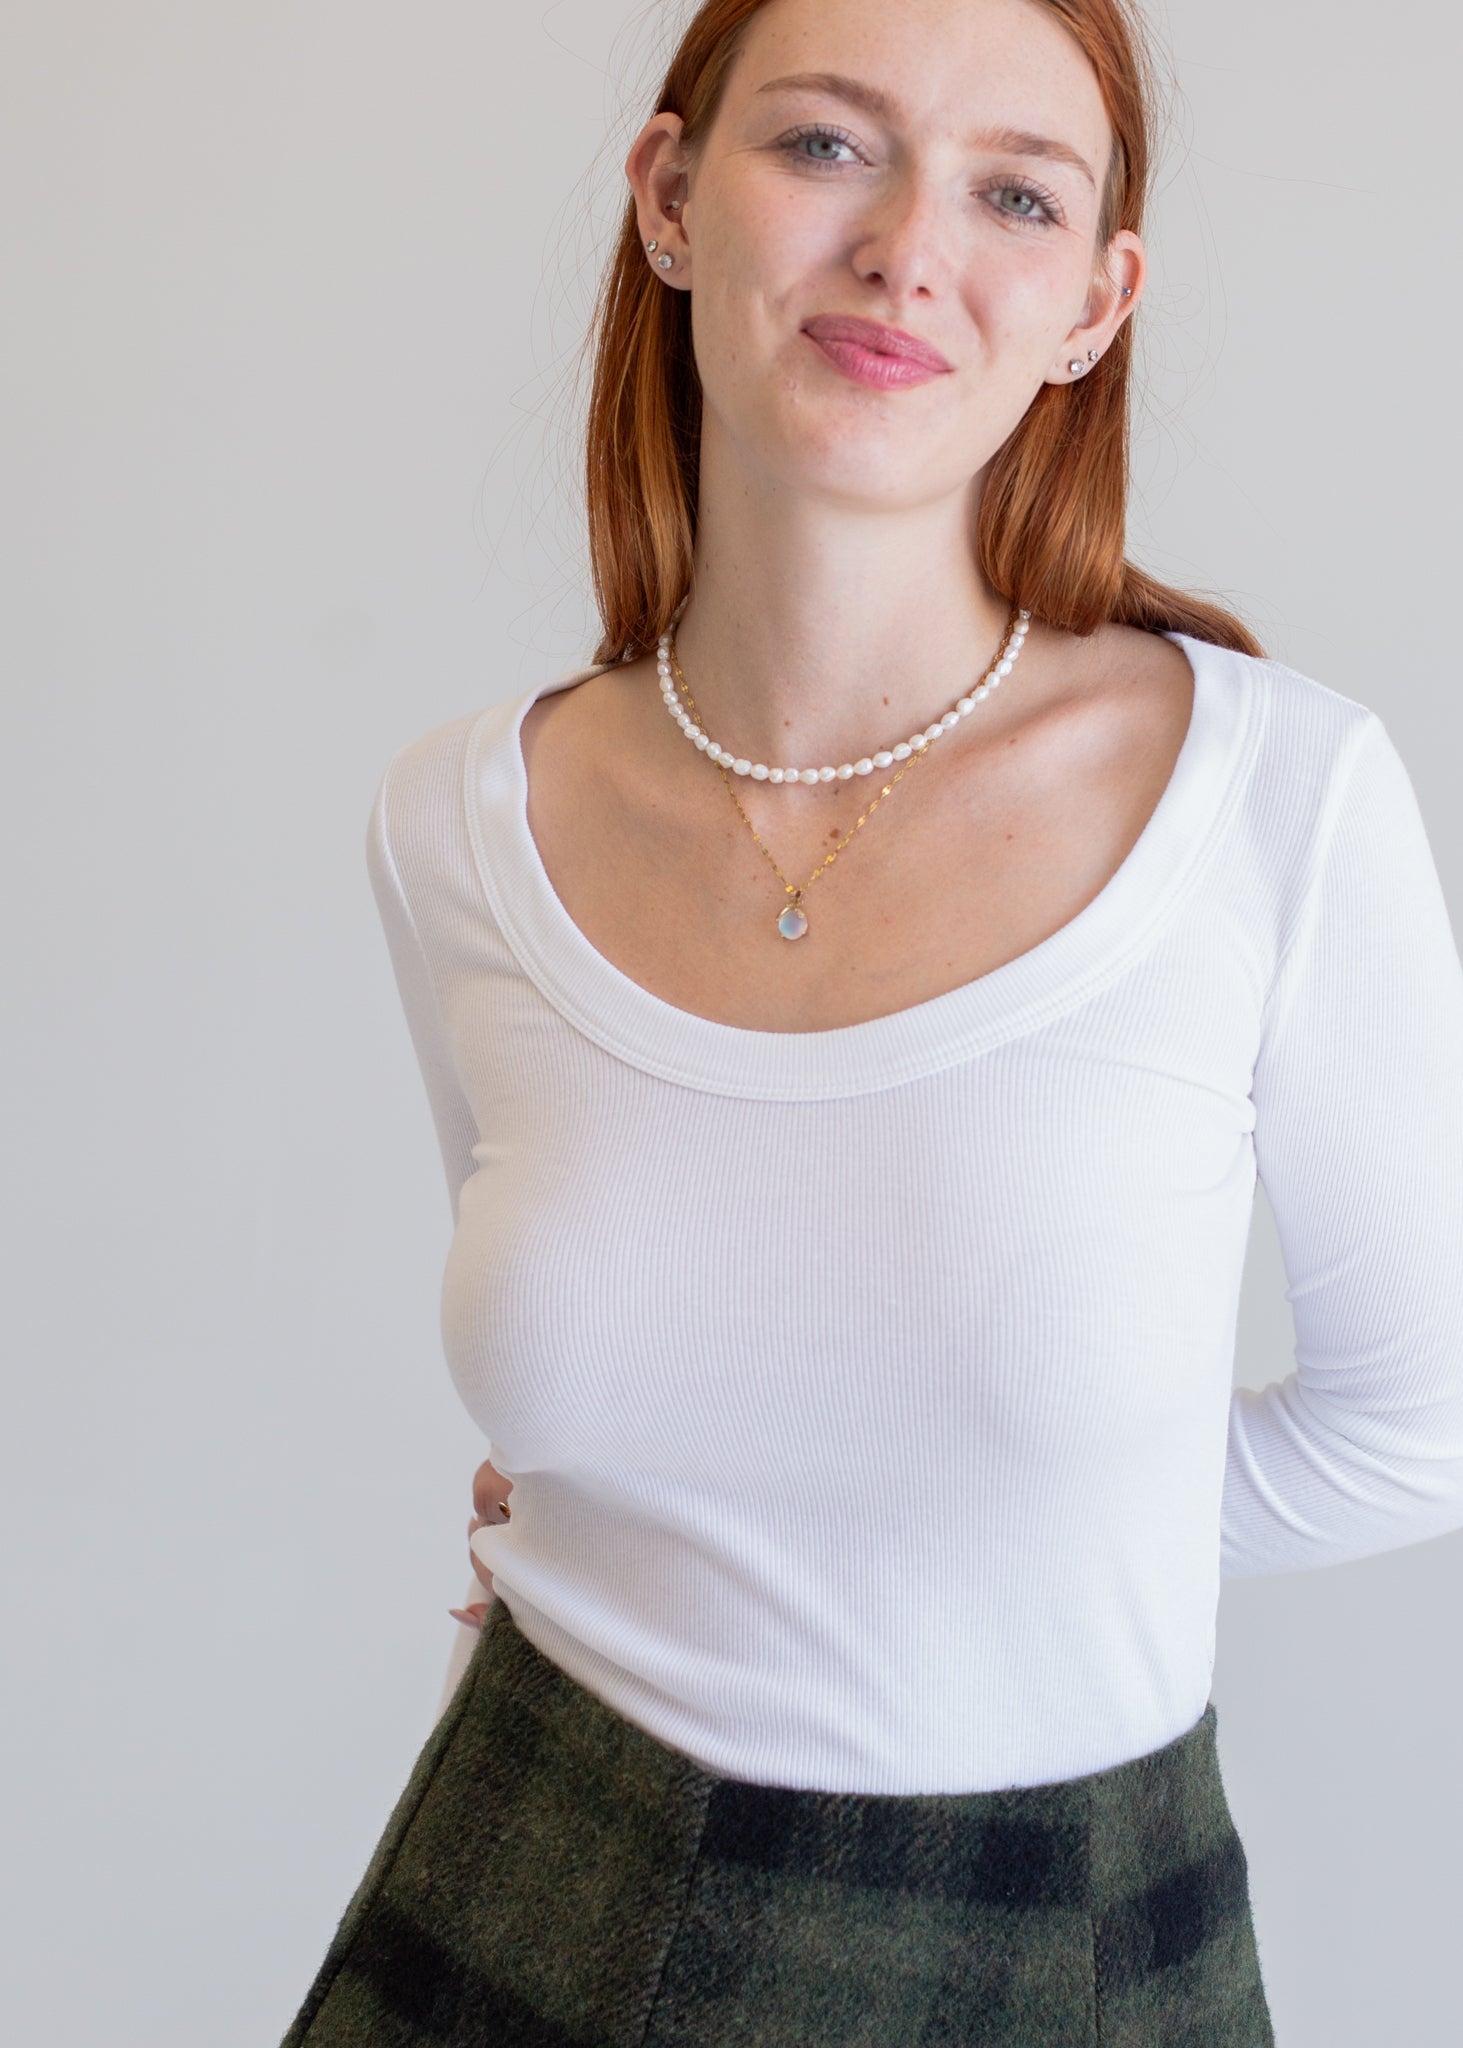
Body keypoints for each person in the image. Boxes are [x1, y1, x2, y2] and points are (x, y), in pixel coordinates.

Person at [280, 0, 1463, 2041]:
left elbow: (1419, 1430)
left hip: (1048, 1941)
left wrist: (942, 1513)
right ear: (670, 198)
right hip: (521, 1871)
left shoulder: (1280, 798)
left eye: (1017, 195)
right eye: (826, 144)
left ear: (1096, 307)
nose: (911, 248)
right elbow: (595, 1397)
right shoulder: (458, 821)